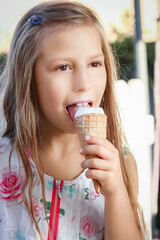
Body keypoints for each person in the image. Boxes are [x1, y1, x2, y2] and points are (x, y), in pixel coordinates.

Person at [0, 1, 149, 239]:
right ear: (28, 78)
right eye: (63, 67)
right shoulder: (4, 162)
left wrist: (116, 193)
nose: (84, 83)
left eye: (94, 64)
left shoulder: (122, 164)